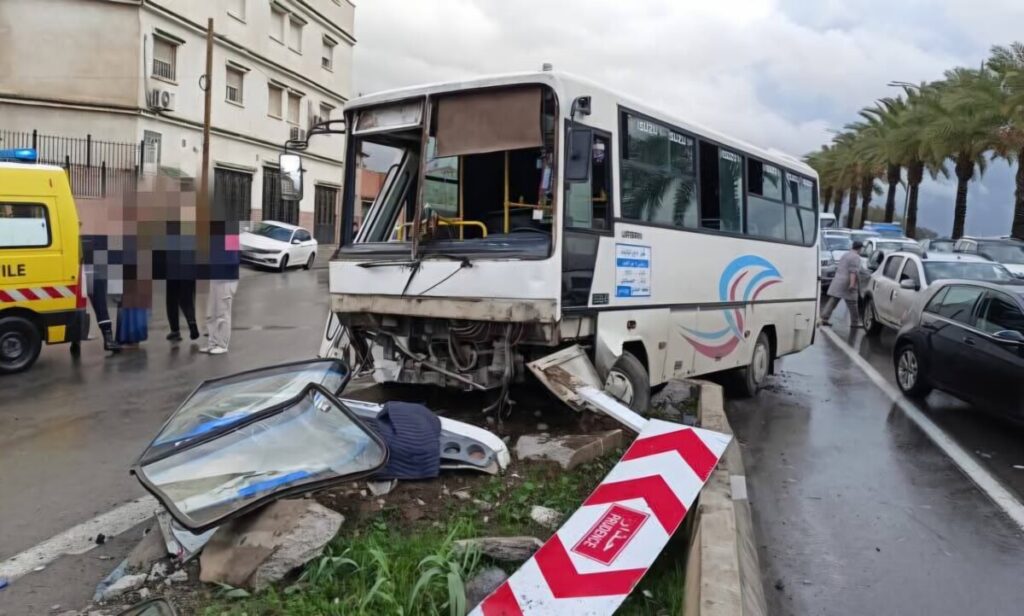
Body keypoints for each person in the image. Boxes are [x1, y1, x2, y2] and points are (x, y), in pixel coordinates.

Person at [201, 221, 240, 355]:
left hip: (226, 277)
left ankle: (222, 345)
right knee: (211, 313)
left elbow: (233, 257)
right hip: (215, 276)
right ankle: (212, 343)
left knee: (222, 313)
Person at [821, 239, 863, 328]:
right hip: (847, 283)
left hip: (838, 281)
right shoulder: (856, 257)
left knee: (833, 300)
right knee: (853, 303)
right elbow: (853, 272)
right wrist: (852, 284)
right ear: (860, 248)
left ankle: (824, 318)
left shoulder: (845, 255)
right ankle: (855, 322)